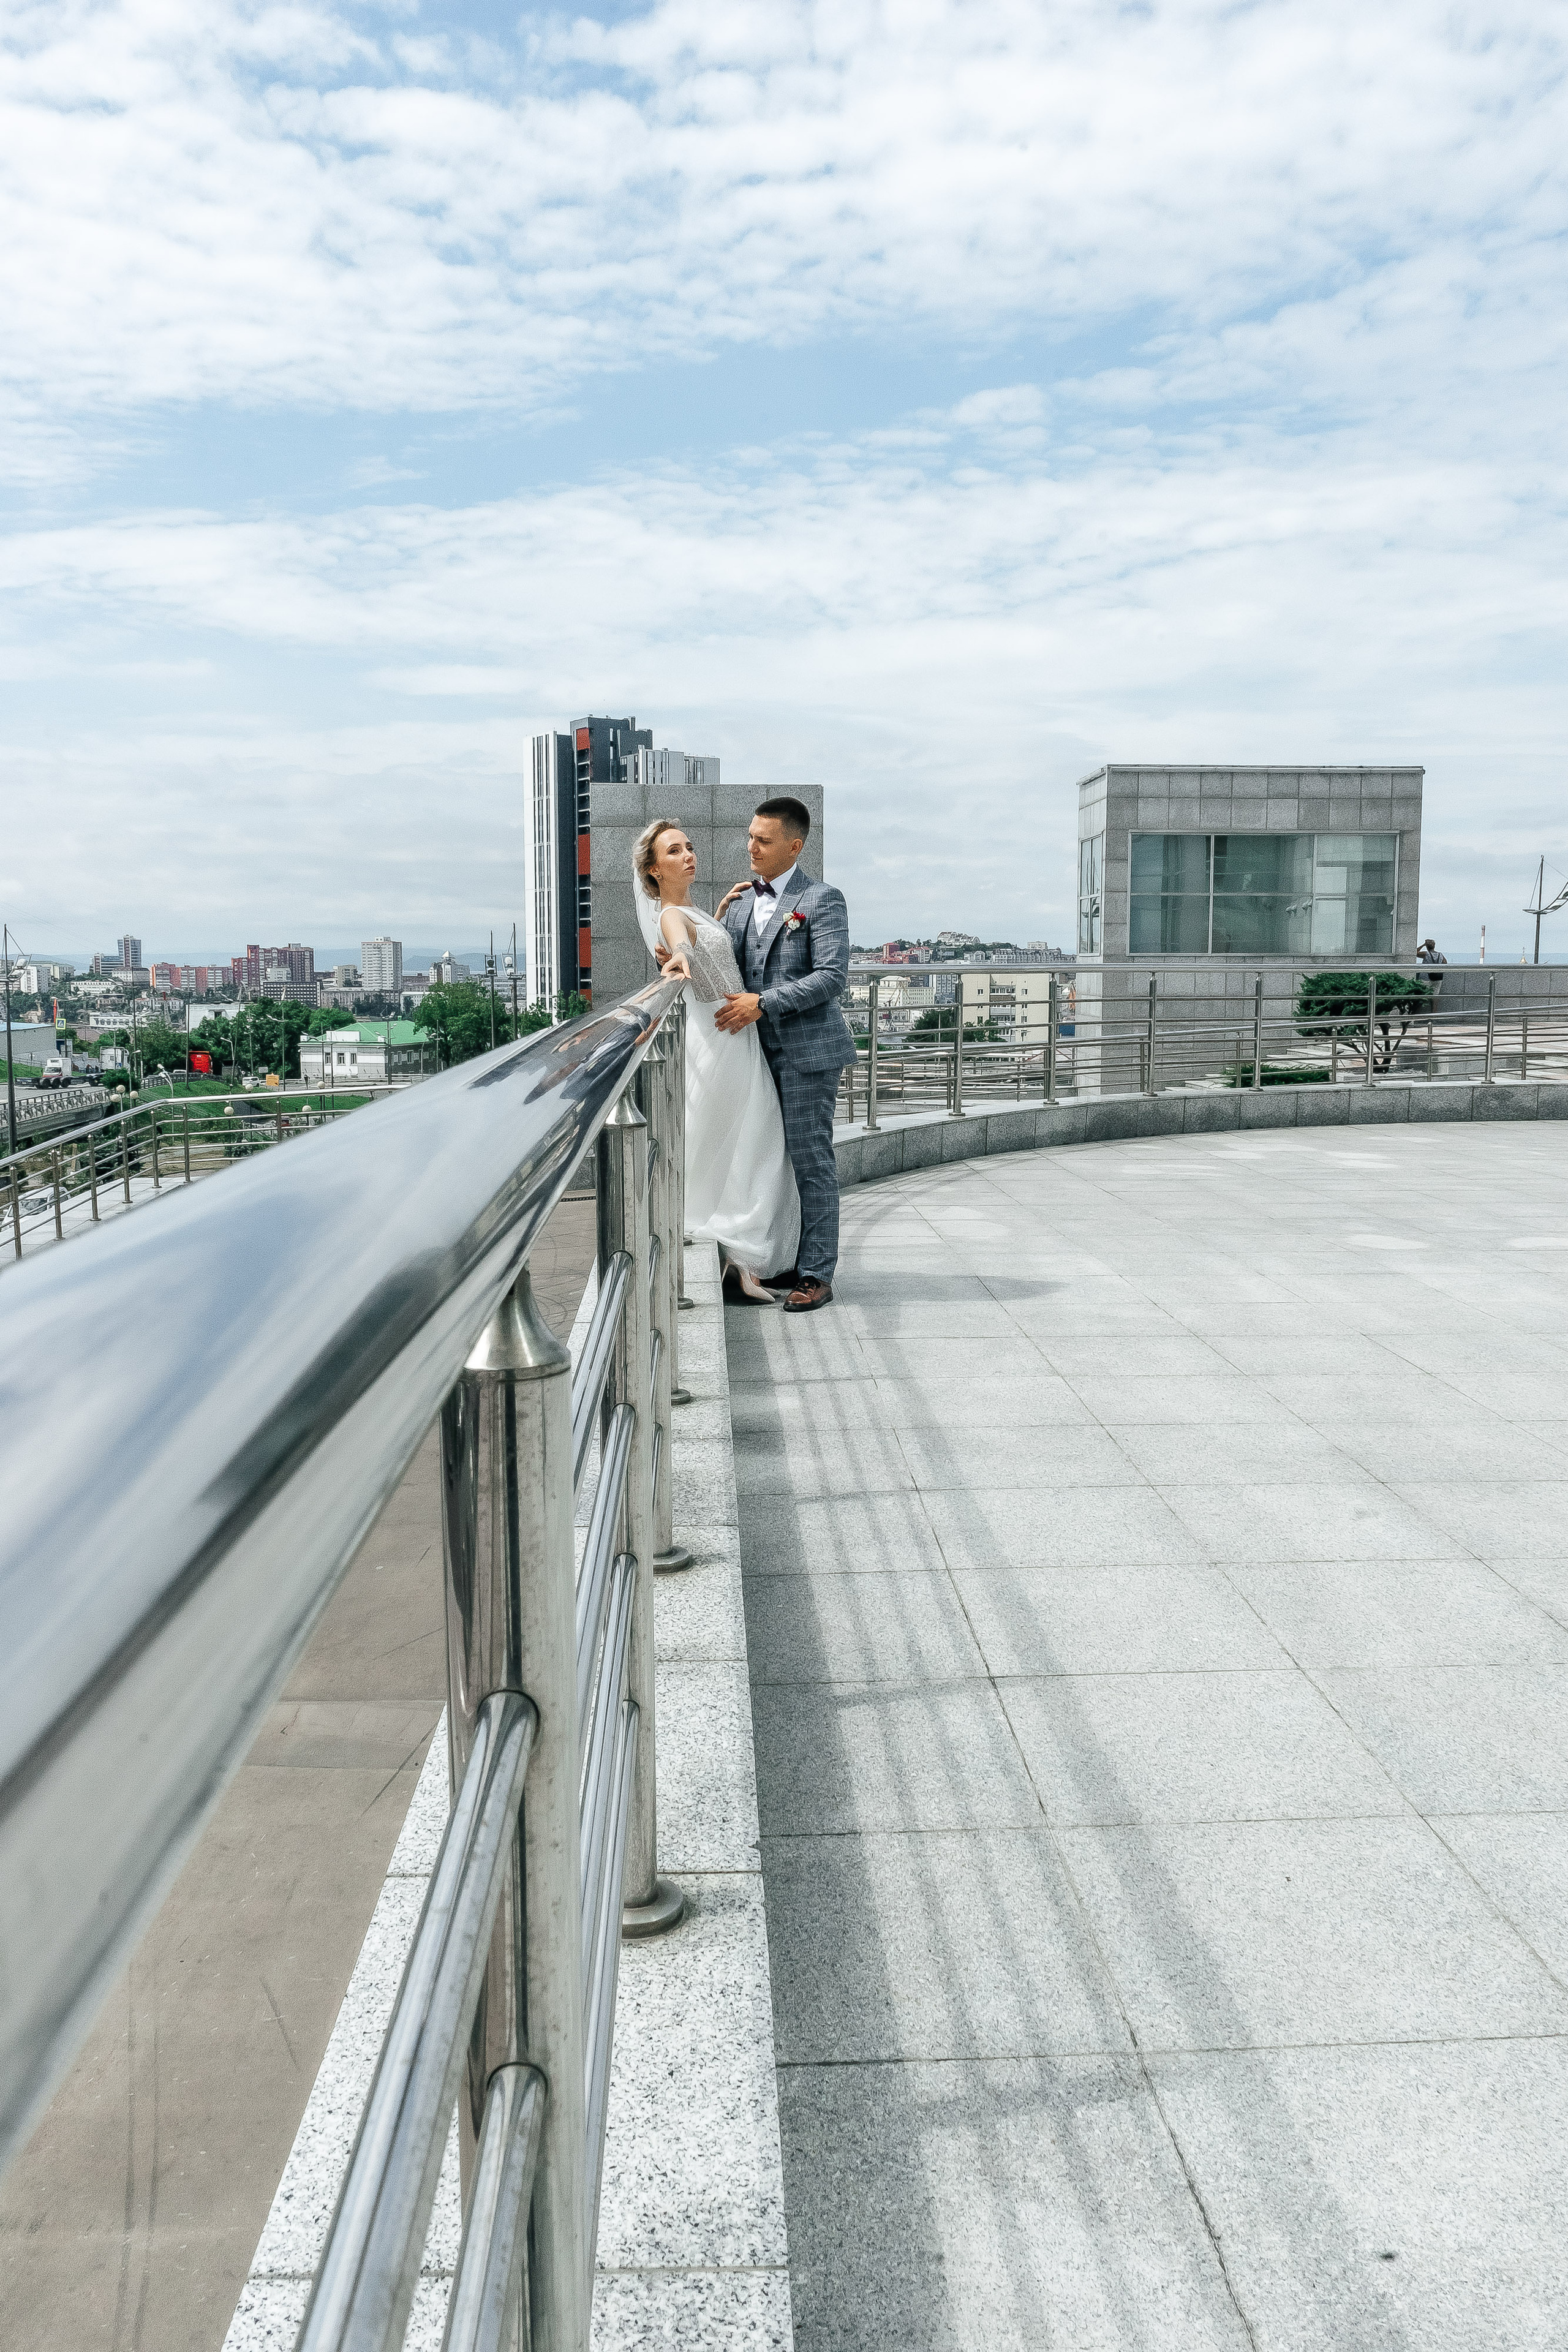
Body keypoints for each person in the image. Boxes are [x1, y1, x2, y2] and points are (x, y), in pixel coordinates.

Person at [633, 818, 800, 1304]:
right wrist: (680, 957)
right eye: (674, 852)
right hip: (719, 1039)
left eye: (689, 847)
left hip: (733, 1037)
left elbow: (703, 940)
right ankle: (738, 1256)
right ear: (653, 871)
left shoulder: (697, 910)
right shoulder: (671, 914)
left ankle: (736, 1259)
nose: (688, 855)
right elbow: (679, 938)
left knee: (745, 1143)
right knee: (747, 1142)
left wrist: (722, 914)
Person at [714, 797, 855, 1313]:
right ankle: (777, 1259)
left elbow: (832, 976)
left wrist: (764, 1003)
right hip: (749, 1055)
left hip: (806, 1052)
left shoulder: (822, 899)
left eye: (763, 840)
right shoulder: (744, 901)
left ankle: (816, 1272)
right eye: (750, 836)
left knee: (810, 1159)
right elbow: (722, 962)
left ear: (794, 846)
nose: (751, 847)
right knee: (765, 1159)